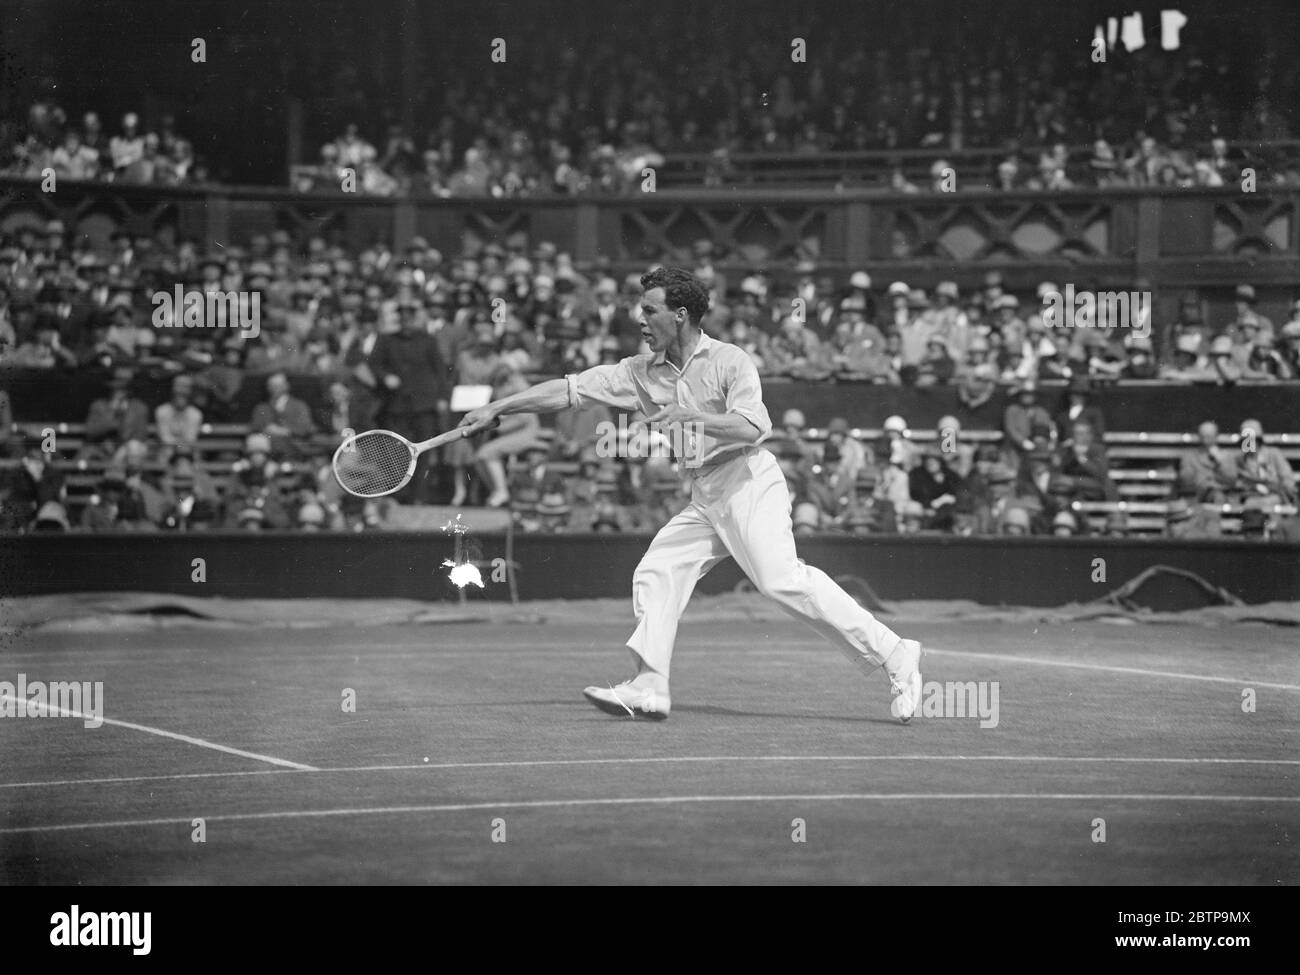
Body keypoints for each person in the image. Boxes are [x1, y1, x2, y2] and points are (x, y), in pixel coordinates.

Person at [457, 266, 923, 722]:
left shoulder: (730, 360)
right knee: (657, 570)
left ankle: (896, 655)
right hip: (705, 493)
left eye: (649, 311)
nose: (639, 320)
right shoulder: (638, 372)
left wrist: (689, 417)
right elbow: (569, 390)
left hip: (748, 479)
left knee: (779, 581)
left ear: (679, 314)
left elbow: (755, 426)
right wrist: (498, 406)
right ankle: (650, 685)